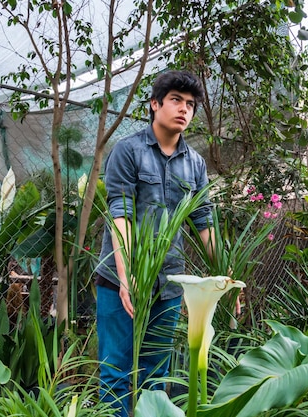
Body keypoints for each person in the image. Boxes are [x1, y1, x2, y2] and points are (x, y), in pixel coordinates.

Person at [94, 70, 214, 417]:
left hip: (169, 285)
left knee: (155, 376)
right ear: (154, 104)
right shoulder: (127, 152)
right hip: (119, 281)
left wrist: (223, 275)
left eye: (190, 104)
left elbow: (203, 220)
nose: (184, 109)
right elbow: (121, 215)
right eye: (176, 100)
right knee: (115, 372)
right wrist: (127, 274)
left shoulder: (195, 164)